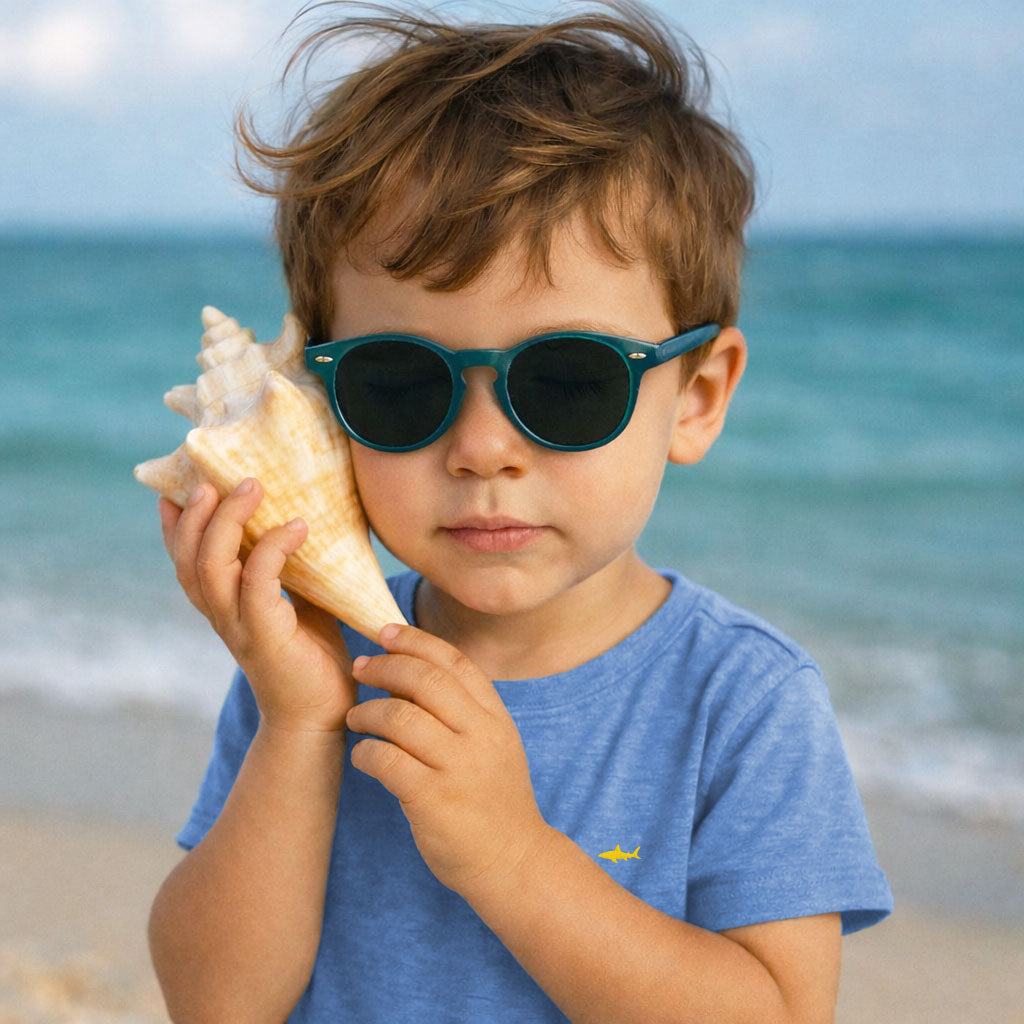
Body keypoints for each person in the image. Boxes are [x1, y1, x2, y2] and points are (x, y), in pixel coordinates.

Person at [147, 3, 893, 1021]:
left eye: (568, 380)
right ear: (324, 402)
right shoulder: (314, 675)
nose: (483, 447)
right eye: (402, 382)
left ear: (699, 396)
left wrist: (509, 855)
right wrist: (296, 722)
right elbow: (215, 1003)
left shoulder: (740, 700)